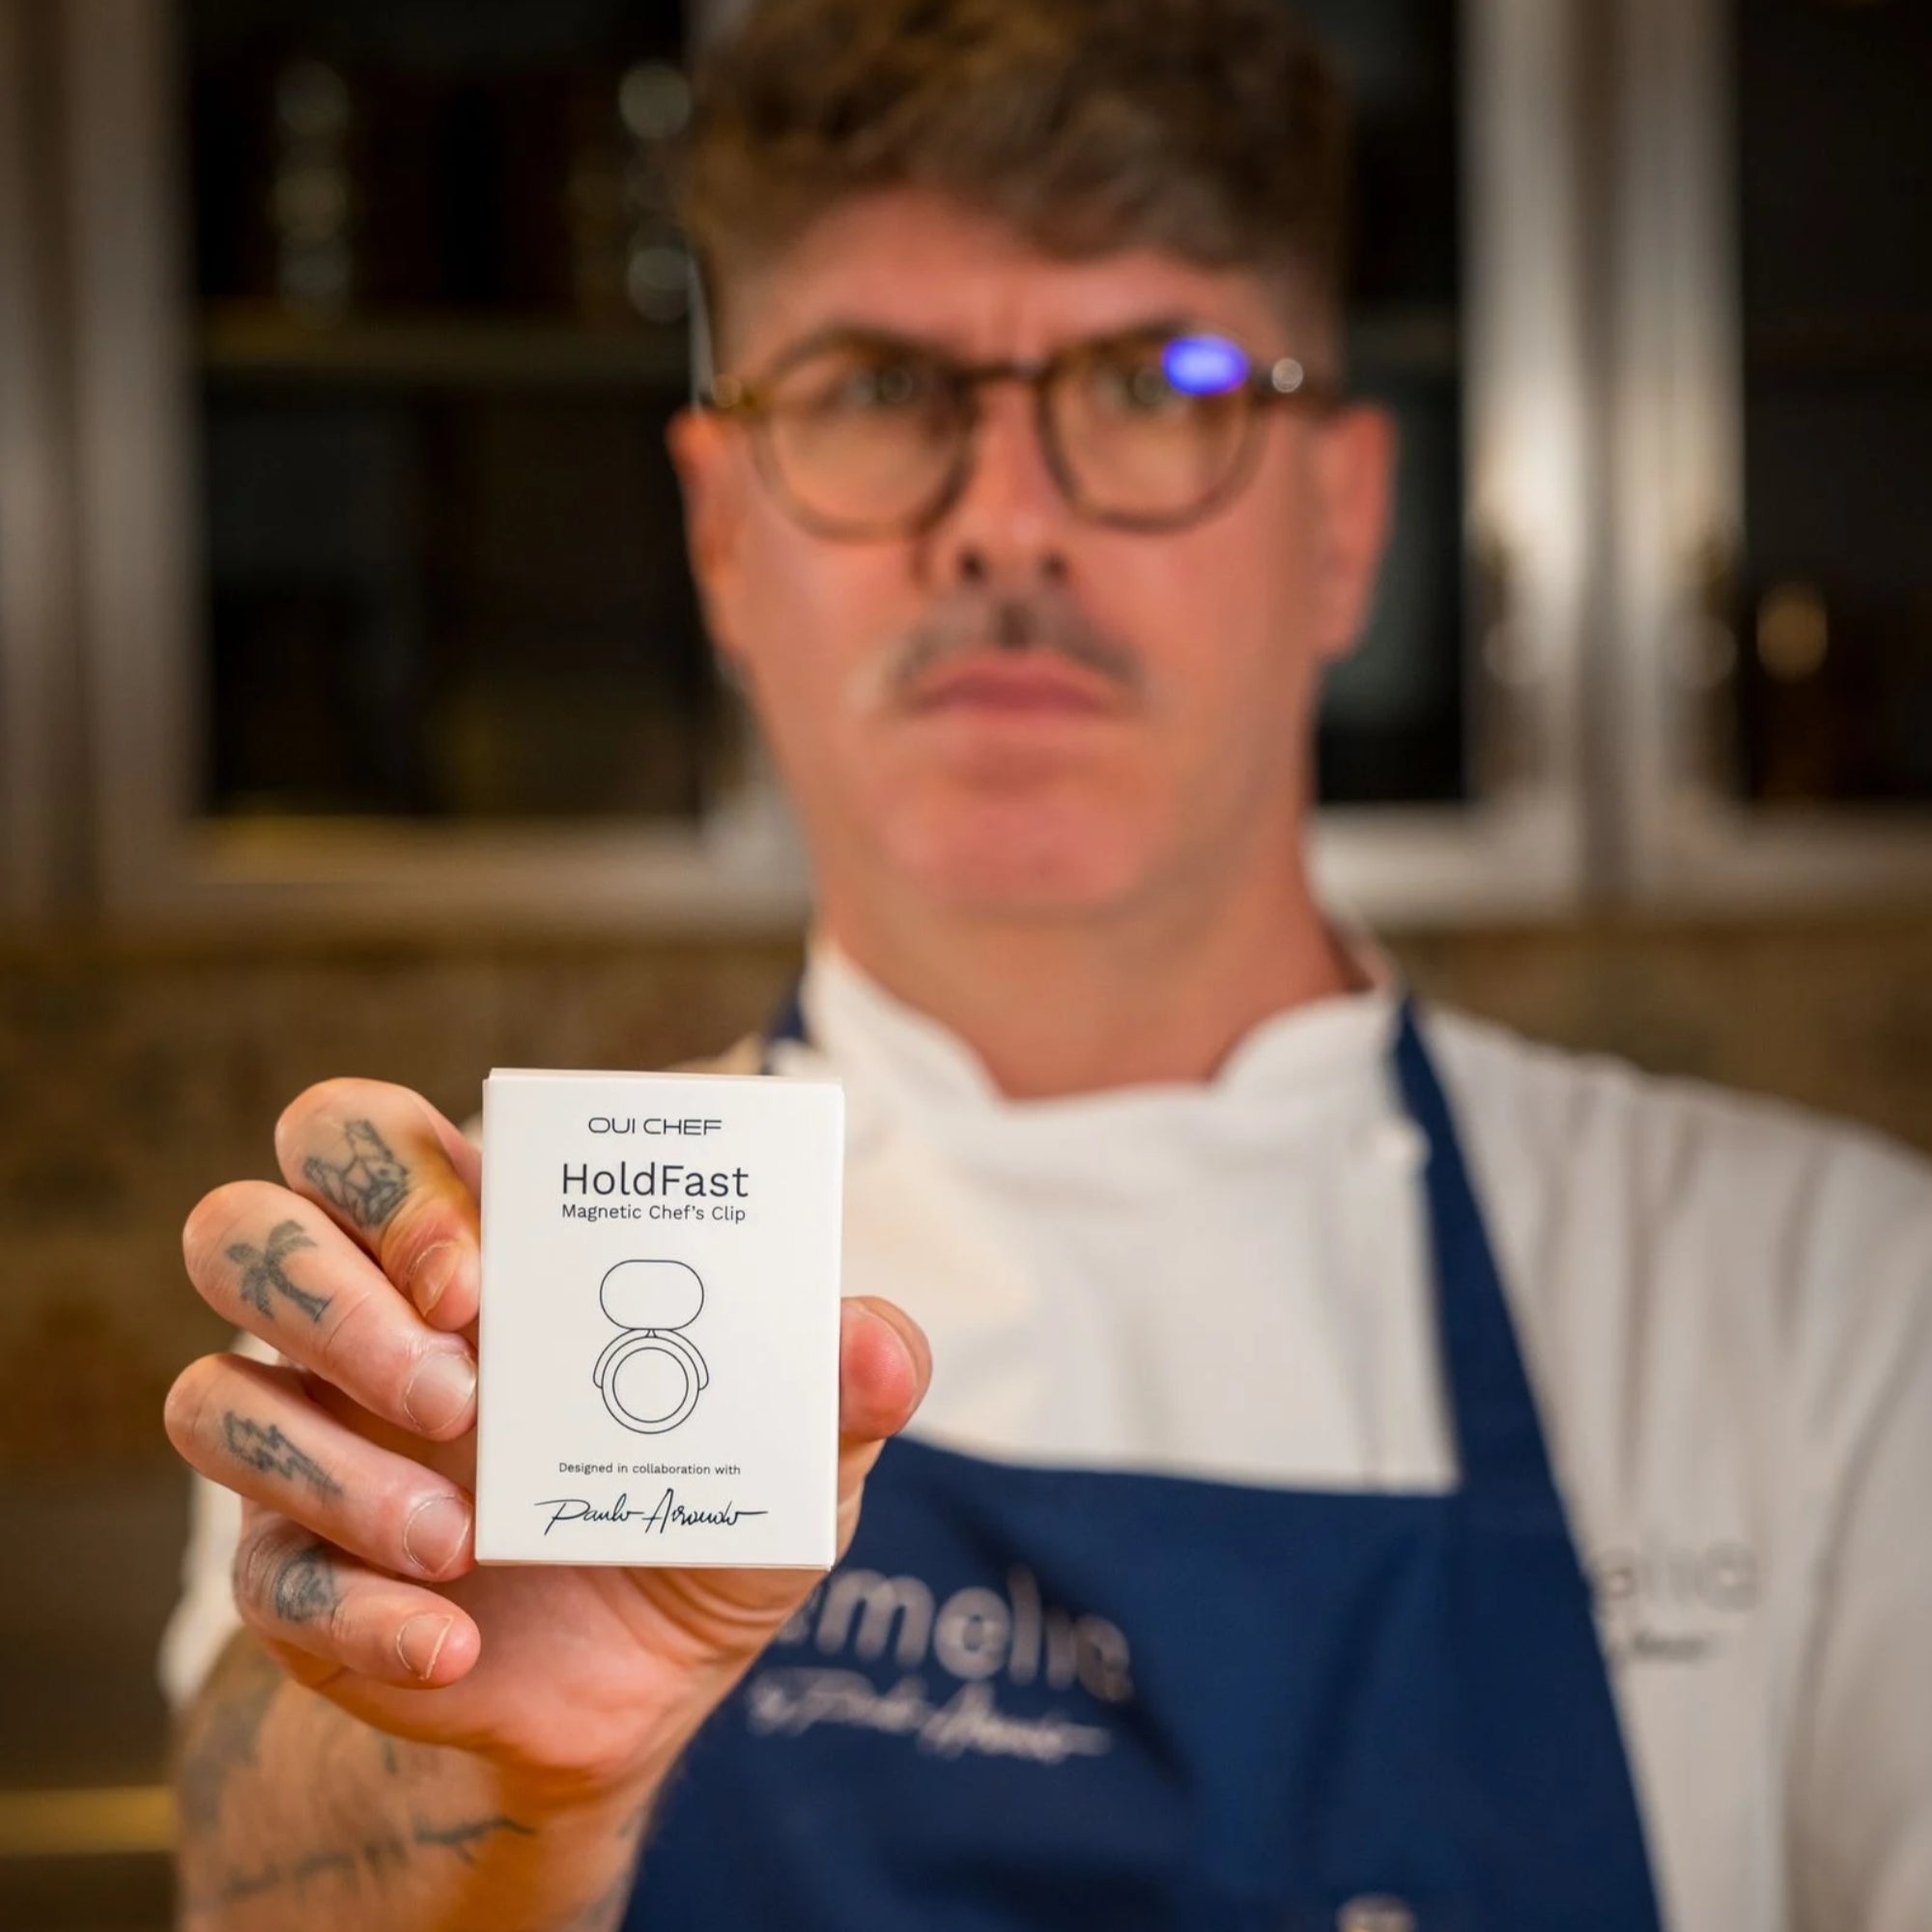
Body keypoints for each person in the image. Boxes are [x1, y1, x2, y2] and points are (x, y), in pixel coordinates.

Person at [156, 1, 1932, 1927]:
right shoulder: (503, 1311)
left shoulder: (1827, 1310)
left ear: (1343, 519)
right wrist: (481, 1765)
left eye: (1158, 383)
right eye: (870, 388)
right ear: (722, 533)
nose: (1002, 520)